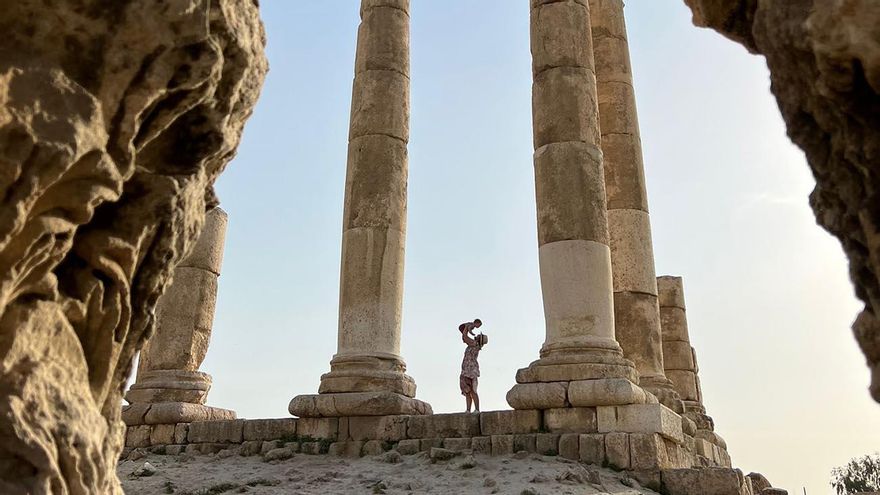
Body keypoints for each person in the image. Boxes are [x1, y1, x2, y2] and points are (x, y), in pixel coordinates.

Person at [458, 318, 484, 413]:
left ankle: (477, 409)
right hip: (467, 369)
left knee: (473, 391)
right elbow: (464, 338)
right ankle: (468, 410)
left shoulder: (474, 344)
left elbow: (465, 337)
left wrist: (466, 327)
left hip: (471, 370)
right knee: (467, 391)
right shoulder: (473, 344)